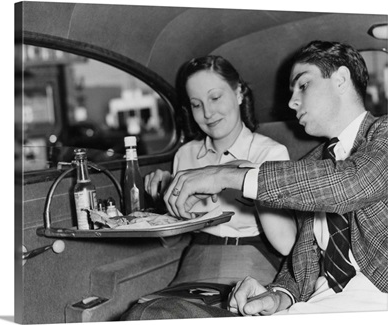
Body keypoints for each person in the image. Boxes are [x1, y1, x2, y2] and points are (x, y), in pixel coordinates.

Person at [122, 41, 388, 320]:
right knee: (150, 312)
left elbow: (352, 184)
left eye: (304, 85)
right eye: (197, 104)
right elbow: (300, 269)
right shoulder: (312, 163)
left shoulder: (381, 135)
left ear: (341, 80)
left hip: (375, 304)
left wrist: (225, 174)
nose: (291, 101)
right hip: (312, 307)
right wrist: (276, 296)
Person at [144, 55, 297, 285]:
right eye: (197, 104)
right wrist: (163, 198)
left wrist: (241, 174)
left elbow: (286, 244)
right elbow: (174, 241)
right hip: (196, 260)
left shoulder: (270, 154)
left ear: (238, 93)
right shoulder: (184, 155)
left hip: (252, 258)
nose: (207, 112)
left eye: (215, 97)